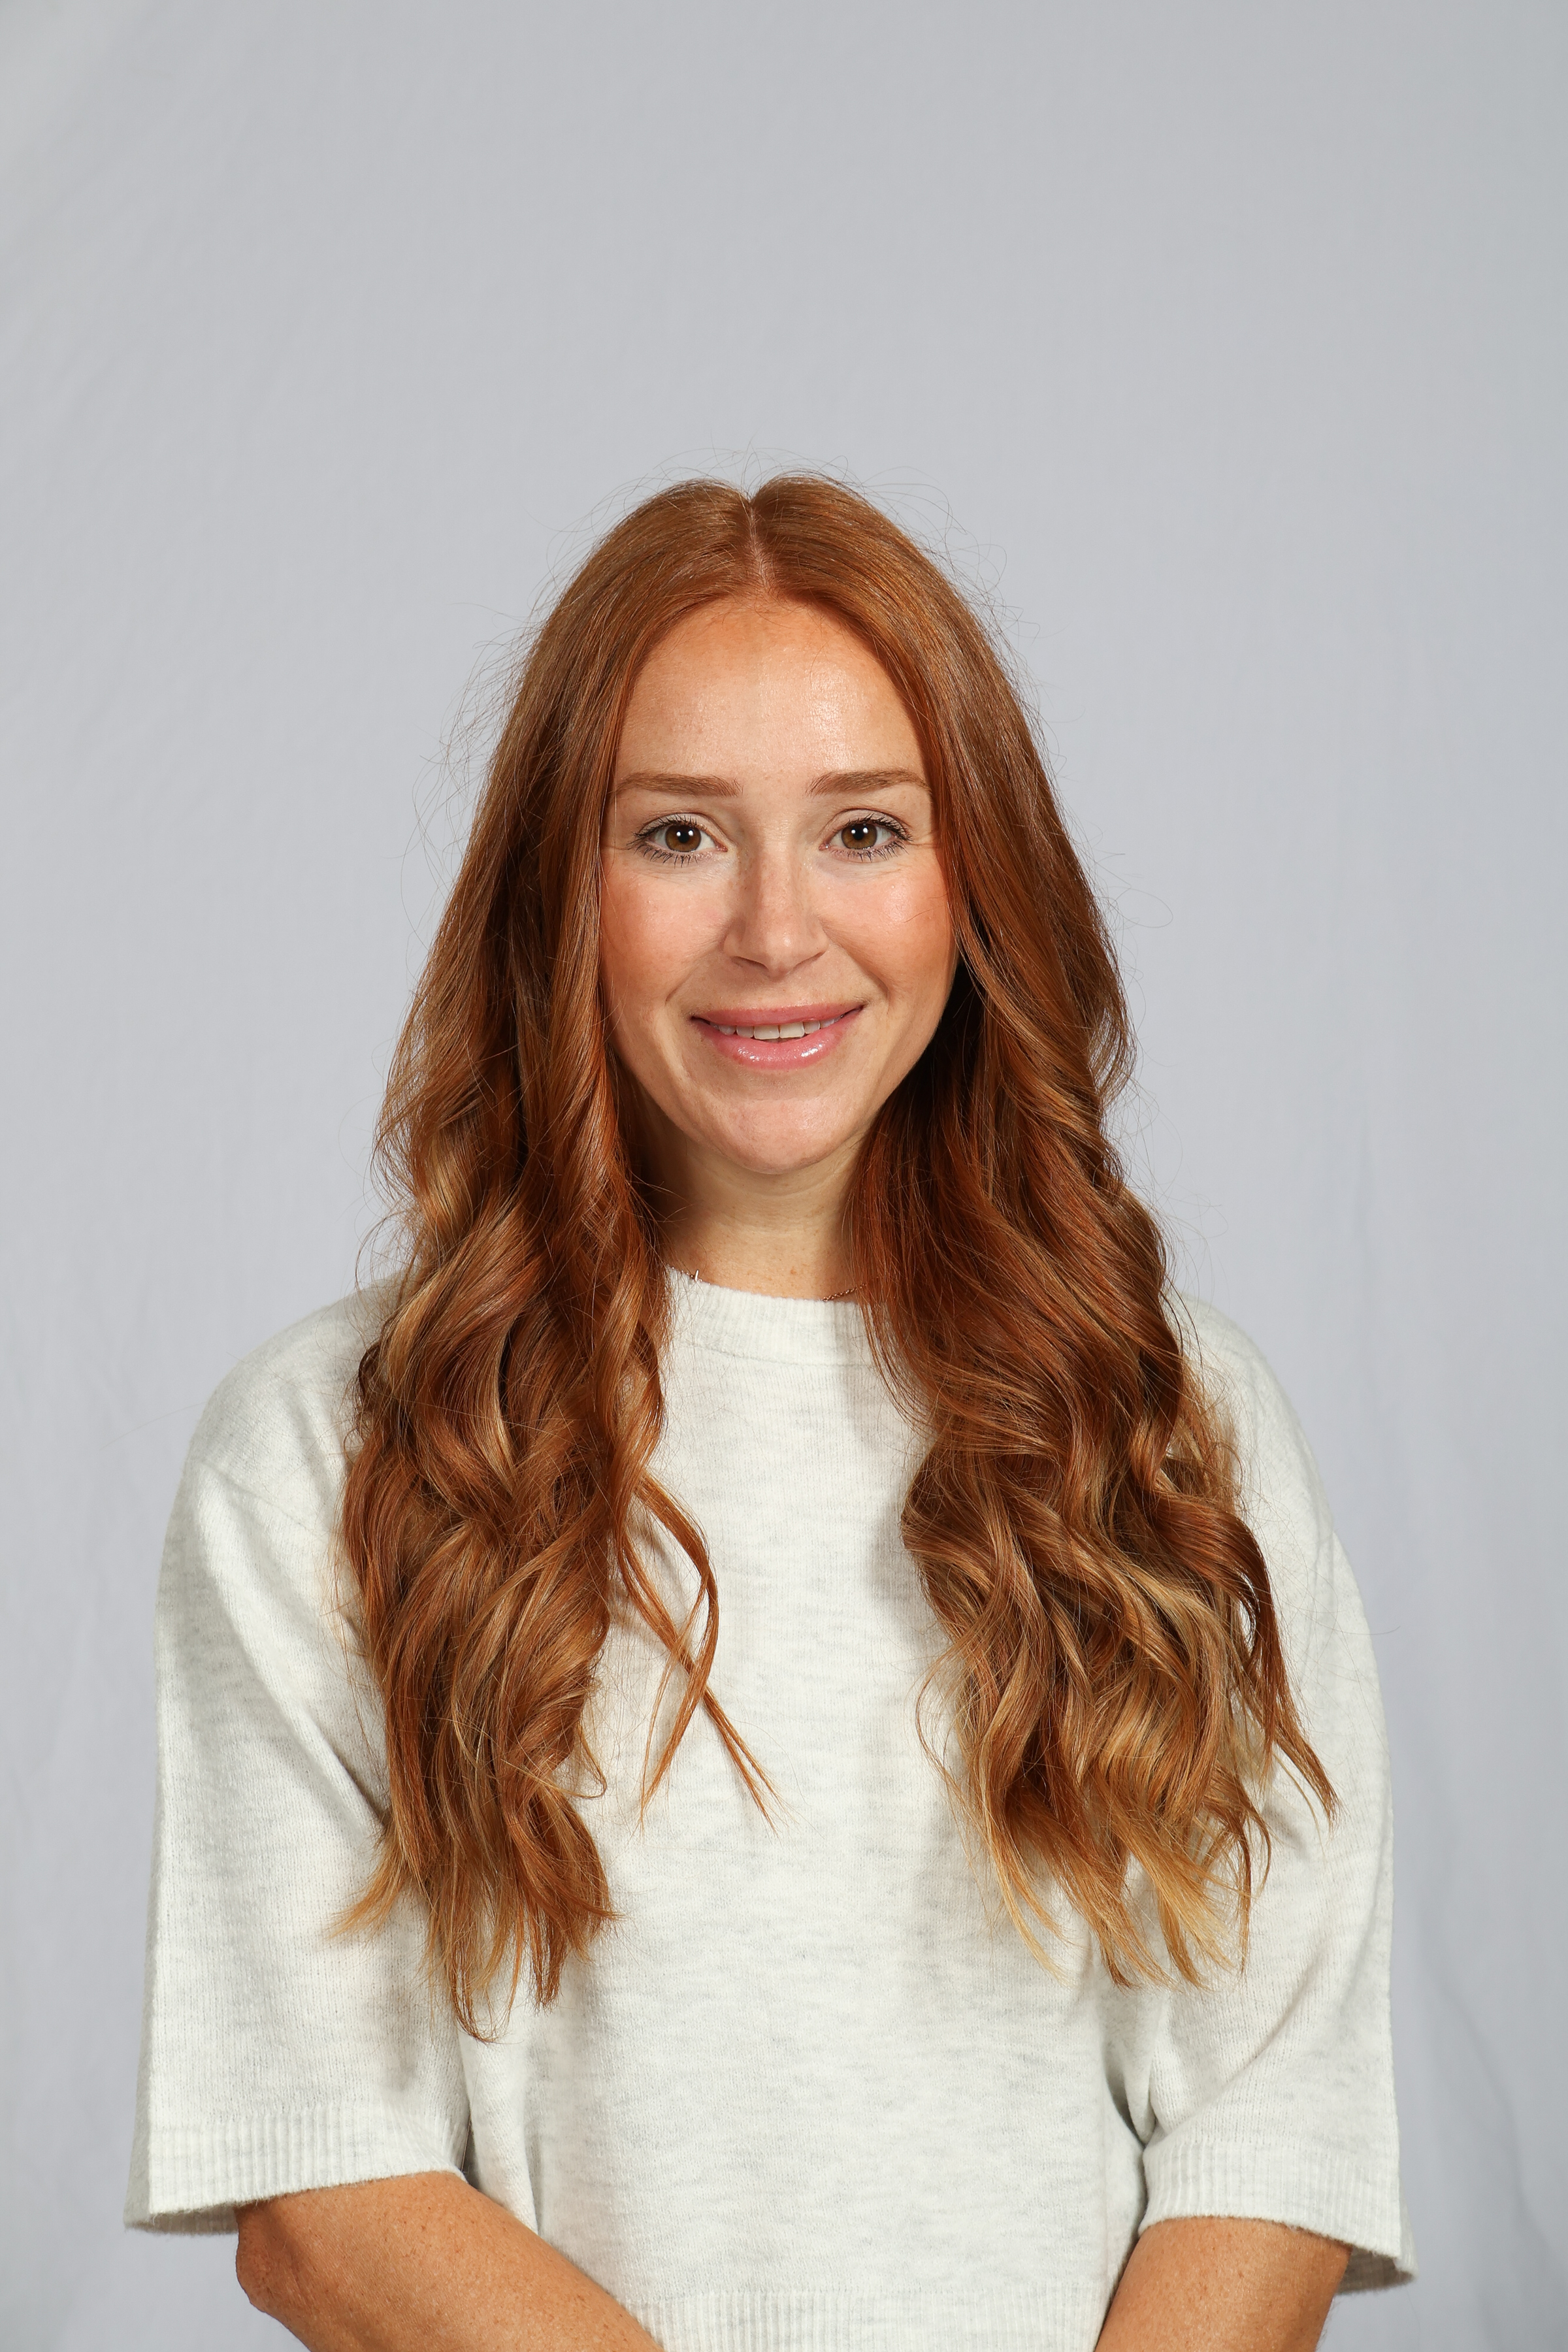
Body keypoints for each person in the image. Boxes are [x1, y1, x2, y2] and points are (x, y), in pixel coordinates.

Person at [127, 476, 1413, 2351]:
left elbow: (1274, 2134)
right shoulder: (331, 1448)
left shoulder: (1175, 1423)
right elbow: (321, 2192)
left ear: (974, 884)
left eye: (864, 830)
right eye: (678, 836)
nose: (775, 929)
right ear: (561, 896)